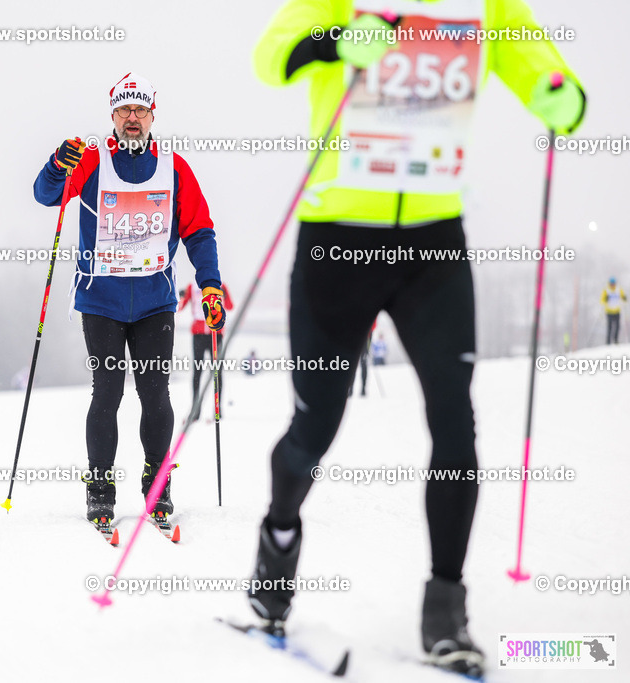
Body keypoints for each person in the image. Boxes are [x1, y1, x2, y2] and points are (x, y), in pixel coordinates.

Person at [249, 1, 585, 676]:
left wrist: (561, 97)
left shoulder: (482, 5)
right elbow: (271, 57)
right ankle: (278, 537)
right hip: (337, 236)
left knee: (456, 422)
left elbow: (540, 67)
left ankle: (446, 603)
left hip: (433, 242)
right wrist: (338, 41)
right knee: (315, 425)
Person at [32, 72, 225, 529]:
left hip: (156, 303)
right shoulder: (91, 159)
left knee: (156, 395)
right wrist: (58, 164)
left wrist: (210, 283)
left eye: (140, 110)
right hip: (101, 301)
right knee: (109, 393)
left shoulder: (173, 165)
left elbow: (199, 230)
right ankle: (100, 490)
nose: (132, 118)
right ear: (113, 115)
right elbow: (46, 196)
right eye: (124, 110)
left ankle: (157, 488)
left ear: (152, 114)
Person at [178, 282, 235, 420]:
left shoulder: (220, 285)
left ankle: (218, 409)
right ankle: (195, 410)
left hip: (216, 334)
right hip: (198, 335)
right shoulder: (192, 287)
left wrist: (225, 295)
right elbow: (179, 307)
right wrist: (179, 296)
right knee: (197, 371)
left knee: (216, 372)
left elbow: (230, 306)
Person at [601, 277, 627, 345]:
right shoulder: (606, 290)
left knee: (617, 326)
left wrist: (624, 298)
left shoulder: (618, 289)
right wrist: (605, 299)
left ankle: (615, 340)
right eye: (611, 284)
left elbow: (624, 298)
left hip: (617, 311)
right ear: (609, 284)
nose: (612, 285)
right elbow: (601, 301)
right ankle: (608, 341)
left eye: (613, 283)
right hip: (609, 311)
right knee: (609, 326)